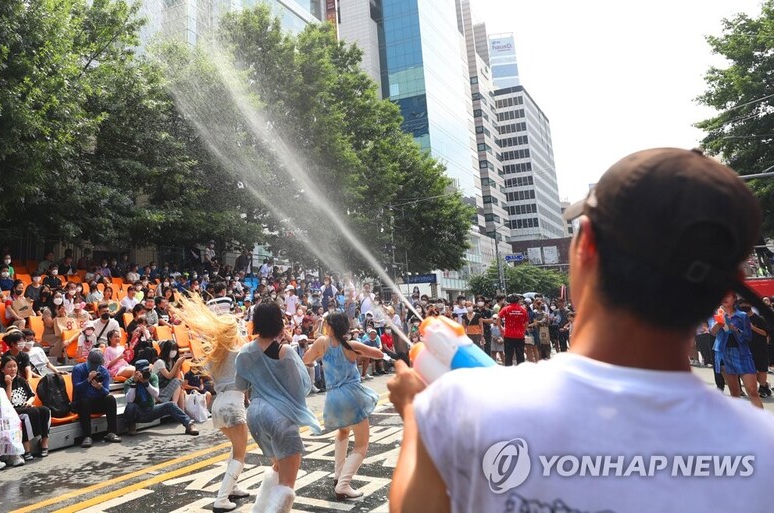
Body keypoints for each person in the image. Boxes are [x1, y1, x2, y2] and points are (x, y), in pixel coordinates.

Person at [387, 148, 774, 512]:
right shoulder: (763, 453)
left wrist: (413, 414)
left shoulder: (459, 404)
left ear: (585, 245)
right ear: (730, 285)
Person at [235, 301, 321, 513]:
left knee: (278, 467)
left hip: (255, 415)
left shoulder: (244, 352)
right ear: (278, 323)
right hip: (279, 418)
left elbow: (241, 385)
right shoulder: (286, 352)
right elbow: (301, 387)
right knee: (287, 484)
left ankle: (261, 508)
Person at [176, 296, 251, 512]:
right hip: (233, 405)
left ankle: (233, 486)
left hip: (218, 406)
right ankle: (221, 497)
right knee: (241, 453)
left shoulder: (213, 356)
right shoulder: (240, 354)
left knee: (236, 449)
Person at [303, 312, 382, 501]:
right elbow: (378, 354)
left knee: (343, 432)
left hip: (333, 397)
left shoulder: (321, 343)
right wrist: (361, 353)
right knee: (361, 445)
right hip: (352, 395)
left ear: (330, 326)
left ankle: (338, 475)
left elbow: (306, 359)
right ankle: (343, 484)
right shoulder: (351, 346)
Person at [709, 295, 762, 407]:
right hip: (723, 353)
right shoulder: (716, 314)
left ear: (734, 299)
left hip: (742, 353)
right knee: (735, 393)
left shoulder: (742, 316)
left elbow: (748, 337)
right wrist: (718, 325)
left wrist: (735, 329)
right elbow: (712, 333)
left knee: (752, 390)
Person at [122, 359, 199, 437]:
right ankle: (131, 426)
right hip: (138, 412)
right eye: (143, 371)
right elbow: (129, 400)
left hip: (151, 409)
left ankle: (189, 424)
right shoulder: (129, 382)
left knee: (170, 405)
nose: (146, 373)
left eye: (147, 370)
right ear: (137, 372)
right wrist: (134, 384)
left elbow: (156, 394)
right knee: (130, 406)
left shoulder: (152, 377)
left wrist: (146, 383)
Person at [0, 355, 51, 459]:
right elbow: (7, 402)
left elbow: (32, 395)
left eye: (15, 366)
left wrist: (28, 402)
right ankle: (27, 450)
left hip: (25, 407)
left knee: (45, 410)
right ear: (2, 369)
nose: (13, 369)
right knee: (28, 415)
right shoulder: (0, 383)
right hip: (11, 410)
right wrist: (9, 384)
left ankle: (44, 442)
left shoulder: (21, 380)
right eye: (9, 367)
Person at [71, 349, 123, 448]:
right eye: (92, 363)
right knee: (84, 402)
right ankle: (87, 436)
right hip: (82, 402)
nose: (94, 366)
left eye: (97, 364)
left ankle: (111, 432)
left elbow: (106, 391)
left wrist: (100, 388)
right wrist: (88, 380)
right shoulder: (78, 369)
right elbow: (77, 388)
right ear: (88, 360)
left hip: (97, 401)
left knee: (110, 399)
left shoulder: (103, 371)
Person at [497, 294, 529, 366]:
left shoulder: (506, 309)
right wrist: (523, 330)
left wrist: (500, 328)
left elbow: (498, 318)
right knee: (520, 355)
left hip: (508, 335)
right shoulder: (523, 310)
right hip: (520, 335)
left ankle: (509, 371)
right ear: (518, 301)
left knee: (508, 356)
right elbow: (526, 322)